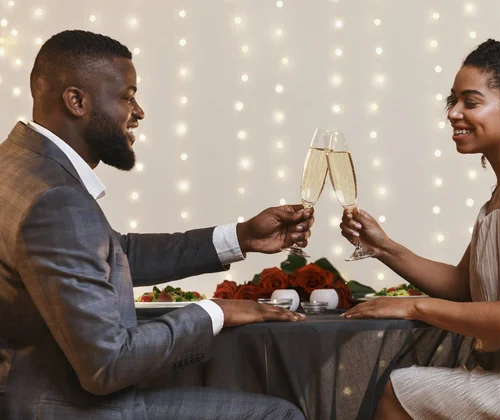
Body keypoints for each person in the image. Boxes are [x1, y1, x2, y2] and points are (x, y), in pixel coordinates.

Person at [0, 30, 313, 420]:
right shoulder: (55, 200)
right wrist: (213, 312)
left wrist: (241, 236)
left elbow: (113, 252)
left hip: (29, 392)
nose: (139, 111)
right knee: (278, 413)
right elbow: (108, 364)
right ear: (76, 101)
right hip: (65, 408)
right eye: (127, 96)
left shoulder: (16, 167)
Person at [340, 37, 500, 419]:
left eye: (471, 101)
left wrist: (413, 307)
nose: (453, 113)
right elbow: (465, 287)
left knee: (401, 390)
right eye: (453, 101)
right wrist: (385, 248)